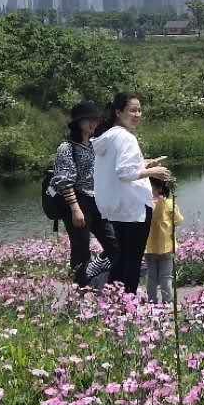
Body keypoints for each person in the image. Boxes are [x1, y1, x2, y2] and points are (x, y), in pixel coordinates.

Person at [92, 93, 172, 294]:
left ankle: (113, 300)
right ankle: (127, 303)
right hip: (133, 207)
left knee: (122, 256)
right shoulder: (126, 137)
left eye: (139, 110)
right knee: (132, 259)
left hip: (116, 207)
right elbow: (124, 172)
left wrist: (145, 164)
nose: (137, 114)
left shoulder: (109, 136)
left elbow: (116, 169)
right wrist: (155, 172)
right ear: (118, 112)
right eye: (132, 110)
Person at [48, 100, 117, 288]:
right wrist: (75, 209)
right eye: (89, 120)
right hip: (78, 201)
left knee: (114, 243)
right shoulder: (67, 147)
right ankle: (80, 289)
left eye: (96, 120)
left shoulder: (96, 144)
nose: (93, 124)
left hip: (97, 201)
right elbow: (63, 180)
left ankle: (107, 283)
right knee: (81, 249)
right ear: (79, 123)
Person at [143, 177, 183, 304]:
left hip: (149, 248)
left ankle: (151, 301)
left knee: (152, 277)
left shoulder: (146, 204)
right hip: (166, 247)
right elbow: (179, 220)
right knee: (166, 277)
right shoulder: (170, 204)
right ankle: (168, 302)